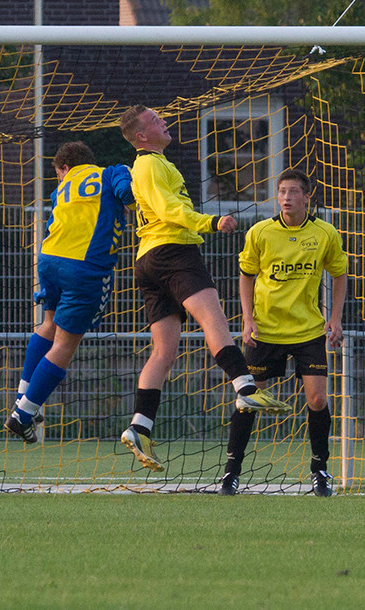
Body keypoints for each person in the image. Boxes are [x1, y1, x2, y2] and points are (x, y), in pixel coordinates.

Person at [117, 105, 290, 473]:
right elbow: (169, 211)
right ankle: (246, 388)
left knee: (163, 351)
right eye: (155, 120)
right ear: (141, 136)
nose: (164, 121)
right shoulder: (149, 165)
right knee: (214, 321)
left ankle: (139, 426)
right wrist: (210, 222)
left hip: (148, 258)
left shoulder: (149, 166)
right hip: (173, 253)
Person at [219, 169, 348, 497]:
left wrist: (335, 318)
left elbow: (340, 273)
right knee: (249, 400)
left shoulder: (325, 233)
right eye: (282, 192)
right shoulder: (261, 232)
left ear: (307, 196)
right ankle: (231, 473)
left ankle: (320, 471)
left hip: (308, 330)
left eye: (293, 192)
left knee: (317, 399)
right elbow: (246, 275)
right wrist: (247, 319)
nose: (287, 198)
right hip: (266, 331)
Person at [3, 141, 136, 443]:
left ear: (65, 167)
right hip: (85, 266)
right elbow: (127, 194)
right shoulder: (112, 172)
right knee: (65, 343)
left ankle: (23, 397)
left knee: (48, 324)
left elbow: (55, 221)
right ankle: (23, 415)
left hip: (49, 259)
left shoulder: (62, 188)